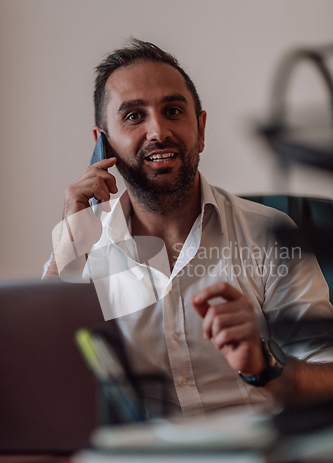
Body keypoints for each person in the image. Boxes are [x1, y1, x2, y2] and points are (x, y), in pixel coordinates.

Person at [44, 38, 333, 419]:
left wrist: (265, 365)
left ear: (200, 126)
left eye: (174, 110)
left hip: (253, 462)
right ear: (103, 143)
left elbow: (327, 376)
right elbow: (45, 388)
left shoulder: (270, 233)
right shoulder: (80, 247)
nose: (158, 131)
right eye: (134, 116)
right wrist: (71, 240)